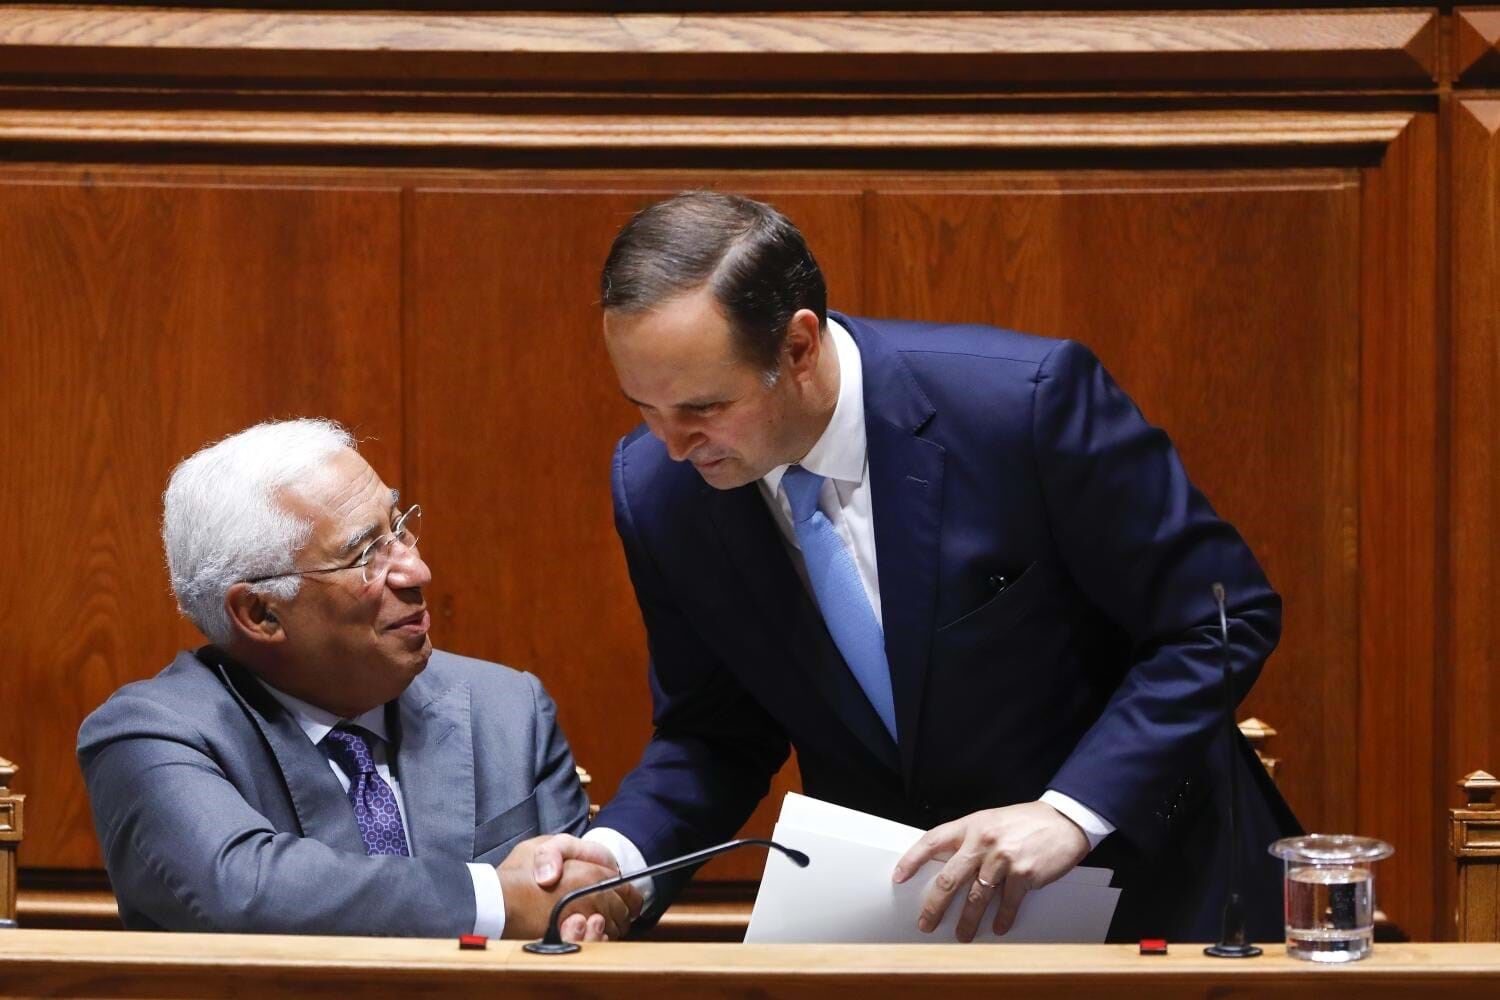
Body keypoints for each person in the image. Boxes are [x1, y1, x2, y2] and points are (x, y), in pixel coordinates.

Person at [538, 191, 1300, 943]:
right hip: (911, 936)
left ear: (798, 347)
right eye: (644, 408)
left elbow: (1218, 618)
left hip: (1155, 905)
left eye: (702, 408)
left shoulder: (1023, 406)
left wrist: (1070, 811)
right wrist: (617, 863)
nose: (673, 445)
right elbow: (715, 732)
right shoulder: (662, 492)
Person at [79, 419, 637, 941]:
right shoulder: (152, 735)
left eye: (400, 528)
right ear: (260, 613)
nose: (417, 571)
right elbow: (242, 890)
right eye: (367, 554)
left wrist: (580, 913)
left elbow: (576, 901)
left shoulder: (507, 710)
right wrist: (496, 898)